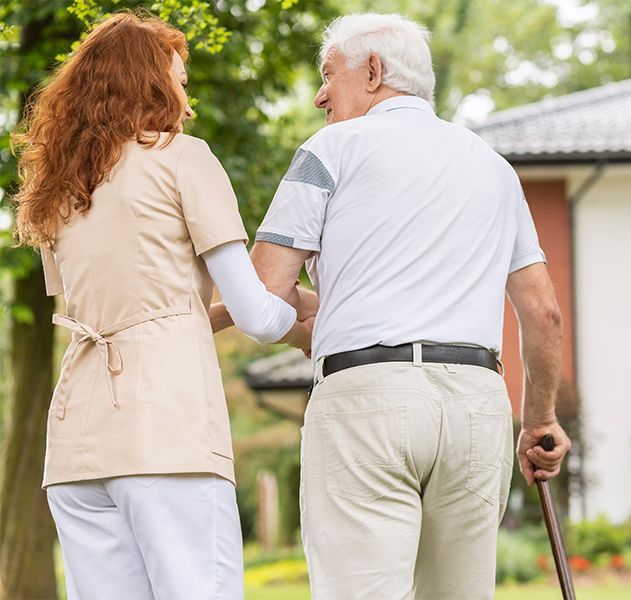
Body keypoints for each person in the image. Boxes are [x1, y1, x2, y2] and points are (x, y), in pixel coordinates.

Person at [250, 13, 571, 599]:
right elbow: (544, 314)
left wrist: (208, 314)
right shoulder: (495, 169)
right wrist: (541, 420)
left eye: (328, 75)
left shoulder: (329, 149)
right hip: (478, 404)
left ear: (372, 71)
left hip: (367, 400)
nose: (321, 95)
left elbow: (263, 297)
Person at [11, 12, 313, 600]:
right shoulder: (182, 157)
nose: (186, 97)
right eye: (177, 80)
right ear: (148, 84)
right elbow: (258, 315)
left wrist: (231, 313)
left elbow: (136, 311)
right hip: (165, 430)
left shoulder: (62, 185)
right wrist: (298, 306)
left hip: (78, 442)